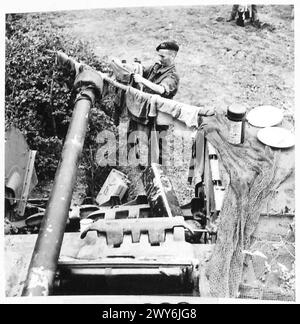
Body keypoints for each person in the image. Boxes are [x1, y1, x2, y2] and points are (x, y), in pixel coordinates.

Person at [129, 41, 181, 165]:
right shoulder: (157, 66)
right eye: (159, 55)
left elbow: (161, 89)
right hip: (148, 110)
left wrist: (142, 81)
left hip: (162, 114)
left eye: (162, 56)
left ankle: (161, 170)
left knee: (159, 142)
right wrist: (136, 66)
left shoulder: (173, 75)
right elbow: (144, 70)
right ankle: (139, 161)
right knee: (141, 134)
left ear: (172, 56)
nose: (159, 59)